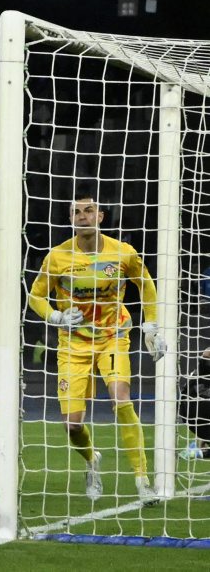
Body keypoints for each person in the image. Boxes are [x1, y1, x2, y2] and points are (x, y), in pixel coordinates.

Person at [27, 185, 167, 504]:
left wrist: (151, 325)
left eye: (88, 210)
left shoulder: (123, 252)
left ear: (100, 216)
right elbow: (36, 296)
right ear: (70, 219)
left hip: (112, 337)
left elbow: (145, 284)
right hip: (73, 345)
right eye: (76, 212)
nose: (83, 216)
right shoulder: (58, 256)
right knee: (72, 425)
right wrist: (55, 317)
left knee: (122, 399)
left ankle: (143, 480)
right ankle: (92, 461)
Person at [178, 348, 210, 460]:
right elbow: (207, 354)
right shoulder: (204, 368)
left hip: (187, 412)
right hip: (197, 408)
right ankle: (197, 452)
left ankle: (197, 451)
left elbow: (206, 353)